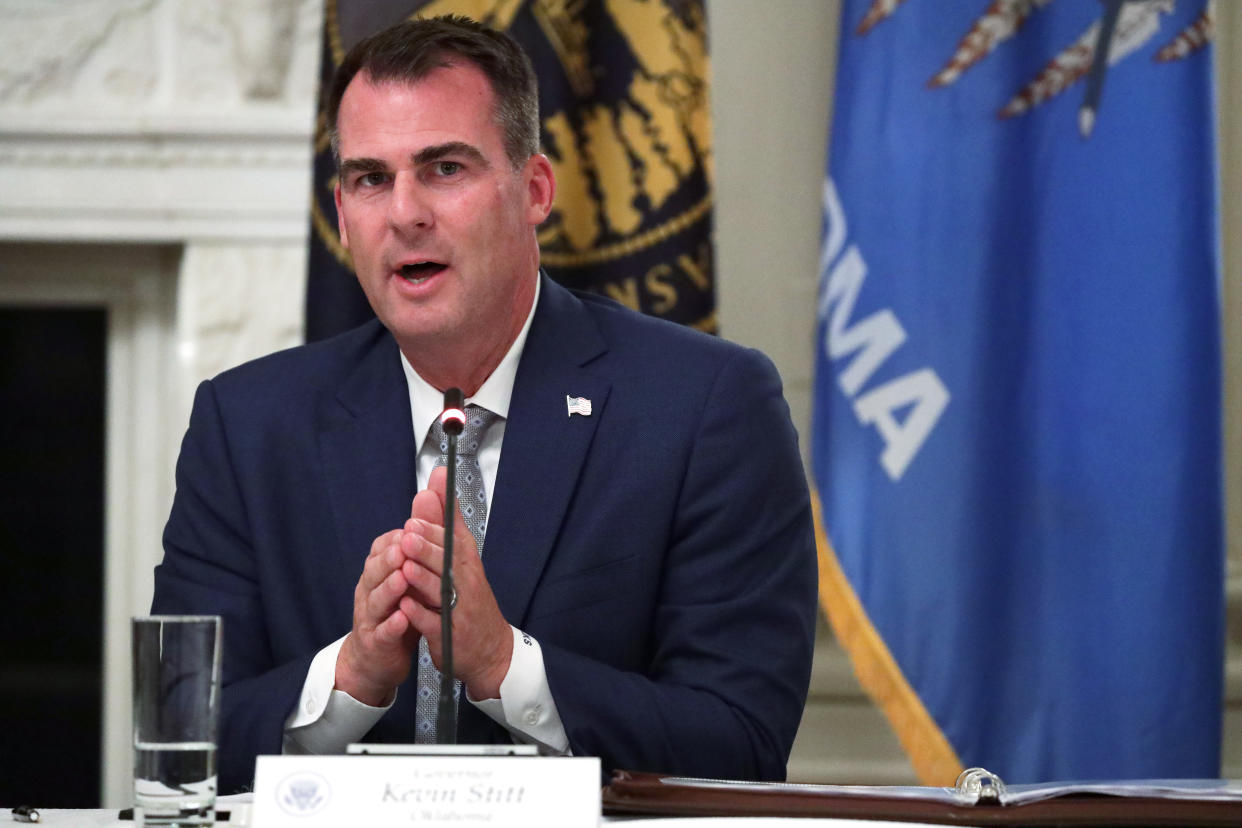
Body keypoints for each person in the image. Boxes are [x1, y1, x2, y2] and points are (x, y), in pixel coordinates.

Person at [153, 15, 817, 795]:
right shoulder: (247, 425)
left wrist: (506, 664)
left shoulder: (705, 406)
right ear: (341, 214)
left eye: (443, 168)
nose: (404, 213)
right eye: (371, 178)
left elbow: (741, 744)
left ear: (534, 190)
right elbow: (174, 741)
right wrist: (351, 677)